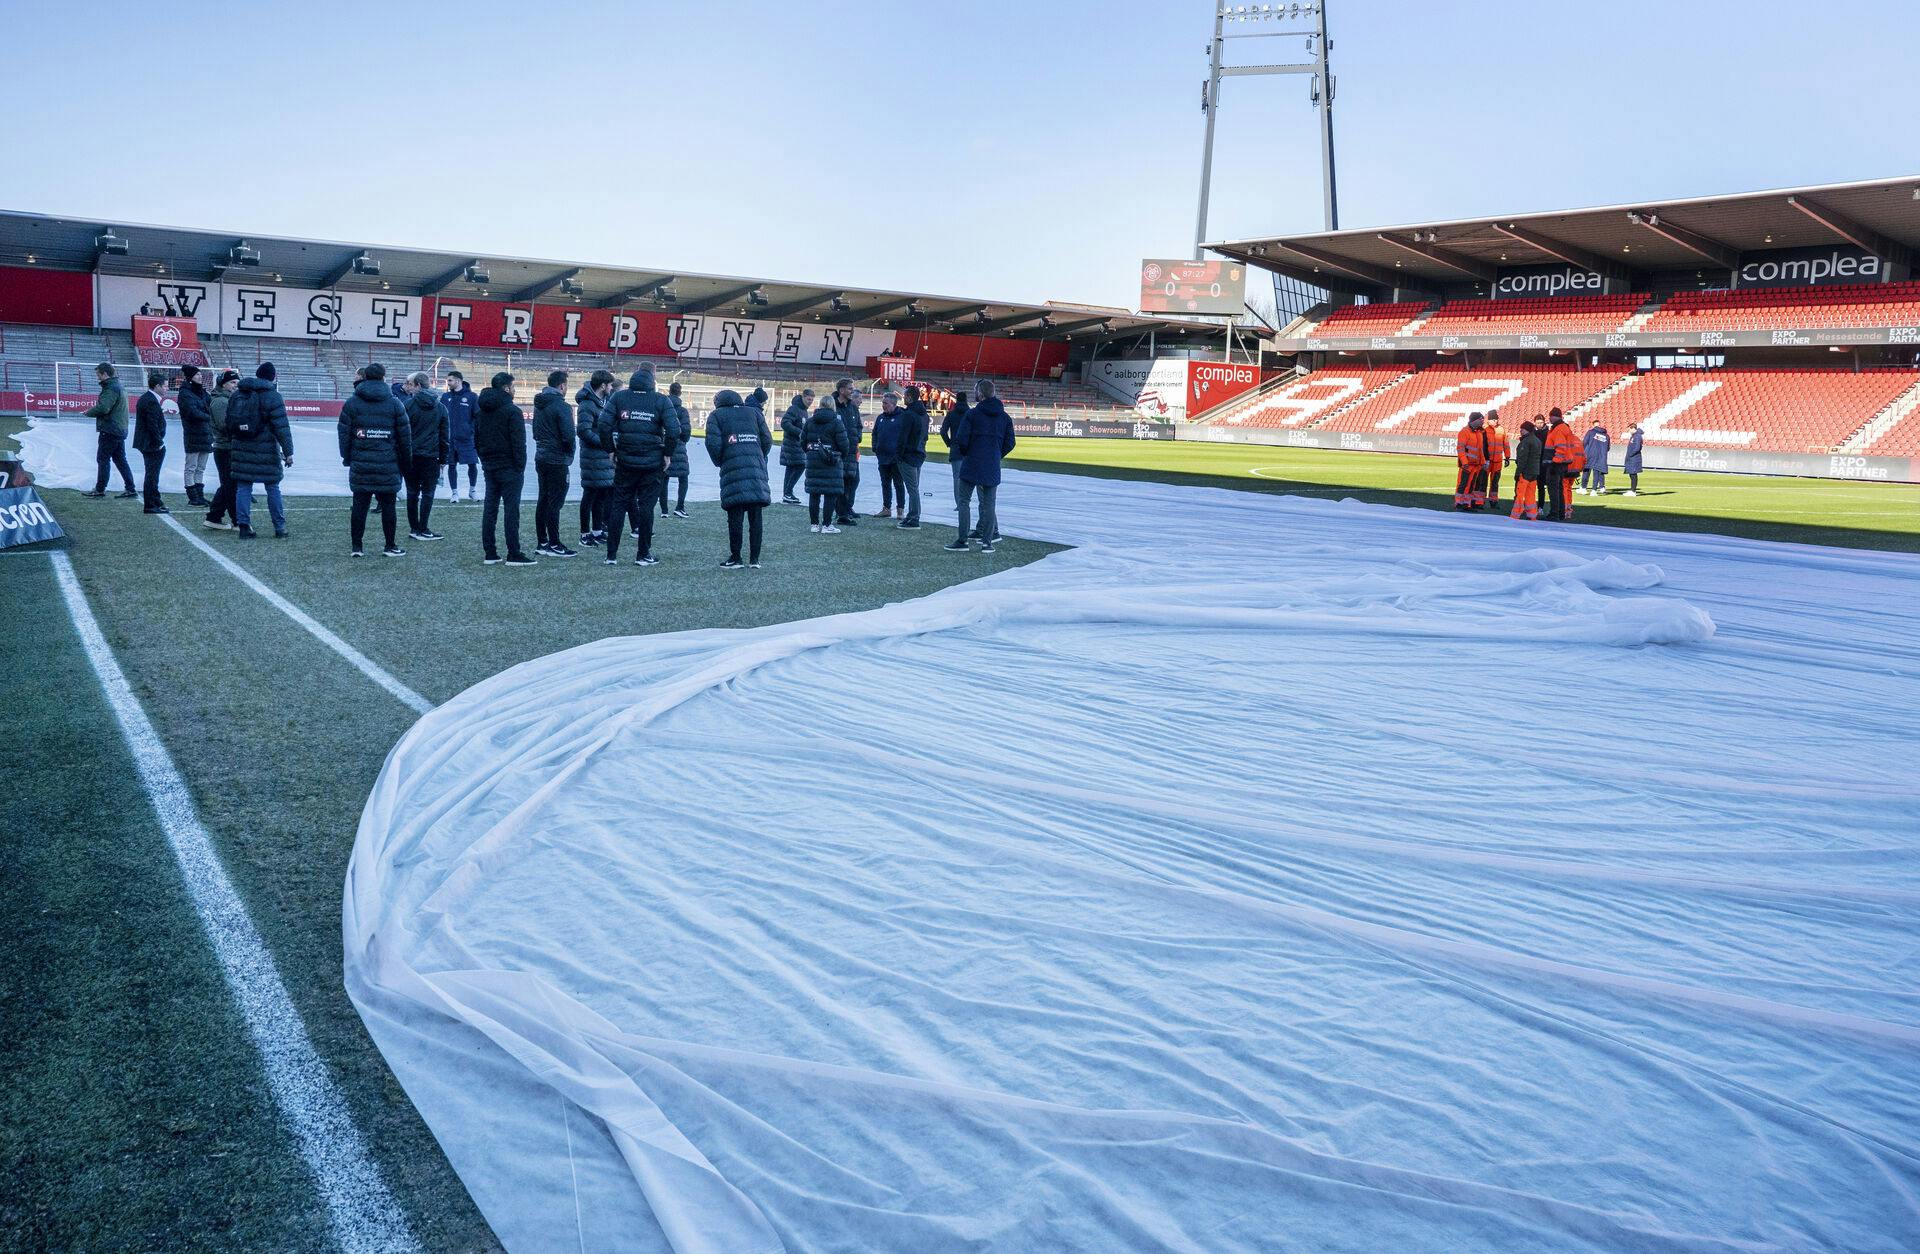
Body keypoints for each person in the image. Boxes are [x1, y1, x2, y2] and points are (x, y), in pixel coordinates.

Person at [337, 362, 412, 557]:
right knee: (388, 505)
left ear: (364, 378)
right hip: (388, 462)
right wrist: (406, 462)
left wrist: (347, 457)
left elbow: (343, 433)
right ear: (383, 378)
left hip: (360, 462)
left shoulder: (352, 402)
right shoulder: (395, 403)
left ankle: (357, 547)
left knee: (360, 504)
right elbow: (405, 437)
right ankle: (390, 546)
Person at [602, 366, 673, 566]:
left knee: (619, 506)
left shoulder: (619, 398)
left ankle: (611, 555)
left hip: (625, 460)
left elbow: (604, 425)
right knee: (646, 508)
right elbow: (674, 430)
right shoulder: (660, 400)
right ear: (652, 383)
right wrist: (667, 453)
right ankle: (643, 554)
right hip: (652, 463)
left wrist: (611, 449)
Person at [704, 387, 773, 568]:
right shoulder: (754, 413)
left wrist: (721, 461)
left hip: (732, 469)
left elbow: (713, 444)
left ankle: (736, 557)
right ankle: (755, 559)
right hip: (756, 470)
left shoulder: (716, 416)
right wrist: (757, 456)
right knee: (756, 516)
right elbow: (767, 440)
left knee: (735, 516)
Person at [946, 379, 1015, 553]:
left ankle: (963, 541)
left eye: (976, 390)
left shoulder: (973, 414)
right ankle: (987, 542)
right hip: (991, 465)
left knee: (964, 502)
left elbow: (961, 439)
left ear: (981, 393)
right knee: (989, 504)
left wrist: (970, 453)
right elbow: (1010, 443)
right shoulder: (1004, 417)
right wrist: (996, 455)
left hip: (971, 463)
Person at [472, 372, 534, 565]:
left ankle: (490, 552)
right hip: (509, 467)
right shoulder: (511, 410)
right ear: (507, 388)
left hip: (490, 465)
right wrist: (520, 466)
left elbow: (477, 438)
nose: (515, 390)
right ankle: (514, 553)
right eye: (513, 387)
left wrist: (485, 459)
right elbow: (518, 443)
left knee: (490, 509)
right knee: (511, 510)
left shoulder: (481, 410)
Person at [227, 363, 293, 539]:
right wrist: (288, 452)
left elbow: (229, 423)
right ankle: (280, 527)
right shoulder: (273, 396)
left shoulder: (238, 394)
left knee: (243, 487)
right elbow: (282, 427)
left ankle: (243, 526)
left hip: (241, 447)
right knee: (272, 487)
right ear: (272, 377)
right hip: (267, 449)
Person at [533, 369, 577, 557]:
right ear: (562, 386)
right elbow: (568, 435)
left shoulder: (539, 405)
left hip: (542, 456)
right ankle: (554, 543)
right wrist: (568, 453)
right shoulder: (562, 406)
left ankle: (542, 541)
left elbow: (535, 432)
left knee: (543, 498)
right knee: (555, 502)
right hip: (556, 458)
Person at [402, 371, 449, 541]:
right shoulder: (441, 407)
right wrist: (444, 459)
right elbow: (445, 436)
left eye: (410, 383)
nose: (407, 386)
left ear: (418, 386)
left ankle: (415, 528)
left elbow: (402, 433)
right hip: (431, 456)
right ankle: (423, 528)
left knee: (412, 492)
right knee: (428, 493)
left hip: (411, 456)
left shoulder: (407, 406)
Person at [81, 363, 136, 498]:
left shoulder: (111, 388)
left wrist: (89, 412)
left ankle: (100, 489)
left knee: (103, 459)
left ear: (105, 374)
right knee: (120, 459)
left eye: (98, 374)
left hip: (110, 429)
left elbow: (104, 408)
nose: (97, 377)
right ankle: (131, 488)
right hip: (119, 428)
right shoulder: (119, 386)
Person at [575, 369, 617, 547]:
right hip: (592, 457)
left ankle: (597, 530)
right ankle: (585, 534)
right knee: (590, 495)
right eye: (609, 385)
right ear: (602, 386)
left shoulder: (602, 402)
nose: (611, 388)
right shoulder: (587, 405)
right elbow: (583, 431)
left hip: (601, 458)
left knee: (601, 494)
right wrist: (605, 442)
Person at [202, 370, 241, 528]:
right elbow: (224, 425)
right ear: (223, 384)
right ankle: (236, 520)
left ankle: (214, 516)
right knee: (230, 485)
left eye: (237, 383)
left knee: (229, 484)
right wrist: (242, 427)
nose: (235, 386)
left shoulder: (228, 399)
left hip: (228, 447)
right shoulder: (220, 401)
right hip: (224, 448)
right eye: (233, 383)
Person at [804, 395, 848, 533]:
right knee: (830, 493)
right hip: (831, 461)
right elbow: (844, 445)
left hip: (813, 460)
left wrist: (811, 453)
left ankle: (814, 524)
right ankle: (827, 525)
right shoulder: (836, 422)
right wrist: (840, 456)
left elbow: (802, 441)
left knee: (814, 493)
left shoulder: (810, 421)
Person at [174, 365, 213, 507]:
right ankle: (193, 497)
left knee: (201, 467)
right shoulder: (185, 393)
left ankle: (200, 497)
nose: (200, 377)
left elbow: (211, 406)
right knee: (191, 467)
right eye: (197, 375)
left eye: (200, 374)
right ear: (190, 377)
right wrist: (209, 417)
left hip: (206, 434)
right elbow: (192, 412)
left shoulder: (203, 392)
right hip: (193, 434)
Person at [132, 370, 170, 514]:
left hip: (148, 443)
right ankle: (150, 505)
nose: (167, 389)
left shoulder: (148, 398)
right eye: (165, 386)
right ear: (157, 386)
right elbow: (152, 424)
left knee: (152, 474)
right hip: (151, 444)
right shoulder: (150, 401)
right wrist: (159, 442)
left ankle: (156, 501)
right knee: (152, 475)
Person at [443, 369, 482, 501]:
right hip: (450, 439)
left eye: (450, 380)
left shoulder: (471, 397)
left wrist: (472, 433)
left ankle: (472, 490)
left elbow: (477, 417)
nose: (448, 383)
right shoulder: (445, 397)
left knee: (472, 464)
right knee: (451, 465)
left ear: (458, 381)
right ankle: (454, 493)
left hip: (466, 439)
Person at [896, 384, 930, 528]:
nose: (903, 398)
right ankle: (911, 515)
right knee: (914, 488)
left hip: (909, 456)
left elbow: (903, 437)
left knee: (912, 489)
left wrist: (898, 455)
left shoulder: (908, 415)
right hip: (919, 453)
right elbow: (925, 437)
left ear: (909, 398)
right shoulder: (924, 415)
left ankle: (914, 517)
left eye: (905, 396)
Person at [869, 390, 905, 518]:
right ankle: (886, 508)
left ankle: (900, 510)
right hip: (882, 457)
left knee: (898, 484)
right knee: (885, 484)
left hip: (896, 458)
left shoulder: (902, 417)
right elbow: (875, 434)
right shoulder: (880, 418)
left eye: (885, 403)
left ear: (894, 404)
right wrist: (875, 447)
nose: (883, 405)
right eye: (883, 403)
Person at [1541, 408, 1581, 521]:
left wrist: (1554, 463)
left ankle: (1555, 513)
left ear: (1555, 416)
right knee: (1559, 489)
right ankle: (1560, 513)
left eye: (1550, 416)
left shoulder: (1558, 429)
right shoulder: (1562, 428)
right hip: (1562, 464)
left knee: (1554, 490)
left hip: (1556, 464)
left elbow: (1560, 448)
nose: (1549, 419)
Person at [659, 381, 692, 519]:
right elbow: (686, 431)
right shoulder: (682, 411)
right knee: (683, 477)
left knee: (664, 478)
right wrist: (682, 439)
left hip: (664, 444)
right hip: (679, 446)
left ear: (669, 391)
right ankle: (680, 507)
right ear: (680, 393)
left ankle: (664, 510)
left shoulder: (662, 408)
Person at [833, 377, 863, 524]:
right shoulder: (832, 406)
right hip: (837, 452)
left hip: (851, 452)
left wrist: (857, 437)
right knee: (840, 483)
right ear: (842, 390)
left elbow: (858, 426)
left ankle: (845, 510)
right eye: (850, 388)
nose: (852, 391)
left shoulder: (852, 407)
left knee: (852, 481)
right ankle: (841, 514)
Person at [778, 388, 813, 503]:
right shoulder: (794, 408)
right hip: (792, 444)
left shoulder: (803, 410)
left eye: (812, 399)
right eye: (808, 399)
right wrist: (800, 433)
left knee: (791, 468)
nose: (810, 401)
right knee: (800, 465)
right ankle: (788, 492)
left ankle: (787, 494)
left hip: (796, 445)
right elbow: (785, 423)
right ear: (803, 397)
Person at [1452, 411, 1488, 511]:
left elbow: (1480, 450)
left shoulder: (1479, 433)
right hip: (1467, 465)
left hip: (1476, 465)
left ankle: (1466, 504)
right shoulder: (1464, 432)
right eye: (1481, 419)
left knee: (1471, 485)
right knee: (1463, 484)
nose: (1482, 421)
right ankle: (1458, 503)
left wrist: (1483, 462)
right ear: (1475, 420)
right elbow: (1460, 448)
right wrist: (1464, 462)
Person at [1510, 418, 1544, 520]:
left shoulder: (1526, 441)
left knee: (1520, 494)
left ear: (1528, 430)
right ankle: (1532, 515)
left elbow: (1522, 459)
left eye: (1523, 429)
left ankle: (1516, 514)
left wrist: (1518, 472)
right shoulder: (1537, 441)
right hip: (1534, 471)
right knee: (1531, 495)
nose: (1521, 431)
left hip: (1525, 472)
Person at [1483, 408, 1509, 512]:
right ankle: (1480, 501)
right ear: (1488, 420)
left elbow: (1506, 444)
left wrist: (1507, 457)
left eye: (1496, 419)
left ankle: (1494, 501)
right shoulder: (1484, 430)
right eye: (1494, 419)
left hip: (1497, 461)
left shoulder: (1501, 430)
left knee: (1495, 483)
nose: (1496, 421)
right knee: (1483, 482)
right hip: (1487, 460)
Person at [1581, 420, 1612, 495]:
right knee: (1597, 473)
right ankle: (1594, 490)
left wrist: (1586, 451)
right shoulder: (1606, 436)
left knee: (1586, 471)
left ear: (1593, 425)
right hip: (1600, 456)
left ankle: (1583, 488)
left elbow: (1584, 442)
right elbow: (1608, 448)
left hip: (1590, 455)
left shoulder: (1590, 432)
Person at [1623, 421, 1645, 497]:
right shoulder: (1634, 436)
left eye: (1629, 429)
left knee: (1633, 474)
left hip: (1634, 458)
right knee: (1631, 474)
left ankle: (1633, 491)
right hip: (1631, 458)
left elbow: (1637, 448)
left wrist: (1631, 454)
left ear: (1633, 428)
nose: (1629, 431)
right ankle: (1632, 490)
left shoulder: (1637, 436)